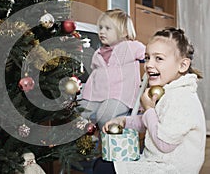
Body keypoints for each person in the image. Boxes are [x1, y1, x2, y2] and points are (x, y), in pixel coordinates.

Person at [95, 27, 206, 174]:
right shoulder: (169, 90)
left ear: (183, 65)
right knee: (103, 163)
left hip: (171, 169)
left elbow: (165, 143)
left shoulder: (181, 98)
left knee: (103, 168)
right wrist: (123, 121)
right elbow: (153, 121)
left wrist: (149, 109)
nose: (148, 64)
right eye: (147, 58)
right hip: (159, 161)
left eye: (158, 58)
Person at [78, 9, 145, 129]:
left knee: (105, 115)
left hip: (121, 96)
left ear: (124, 32)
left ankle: (109, 142)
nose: (102, 32)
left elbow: (149, 54)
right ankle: (87, 143)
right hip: (96, 95)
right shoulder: (98, 53)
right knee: (80, 112)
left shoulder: (131, 47)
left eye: (108, 28)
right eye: (101, 28)